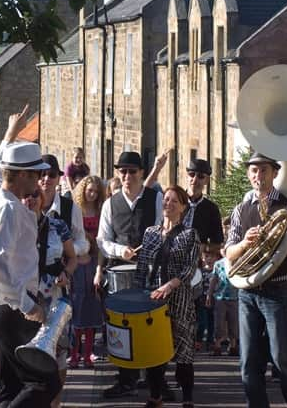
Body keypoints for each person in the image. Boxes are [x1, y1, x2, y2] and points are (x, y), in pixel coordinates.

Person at [0, 105, 61, 407]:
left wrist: (10, 135)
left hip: (0, 304)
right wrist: (28, 305)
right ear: (22, 174)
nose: (40, 180)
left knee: (12, 386)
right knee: (44, 382)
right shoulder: (8, 207)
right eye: (36, 173)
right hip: (10, 307)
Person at [225, 152, 287, 408]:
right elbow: (229, 253)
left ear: (275, 173)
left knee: (281, 359)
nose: (258, 176)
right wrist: (244, 243)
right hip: (248, 292)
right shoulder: (241, 209)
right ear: (248, 174)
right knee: (248, 362)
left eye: (263, 170)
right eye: (253, 171)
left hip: (279, 291)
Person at [97, 151, 163, 398]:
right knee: (121, 326)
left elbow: (161, 230)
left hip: (150, 272)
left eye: (131, 171)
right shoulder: (109, 203)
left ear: (141, 174)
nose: (126, 176)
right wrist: (119, 250)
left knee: (151, 323)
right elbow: (102, 240)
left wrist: (148, 247)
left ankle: (155, 381)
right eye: (122, 171)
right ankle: (126, 379)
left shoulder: (155, 199)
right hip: (120, 272)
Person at [134, 185, 200, 408]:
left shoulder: (190, 235)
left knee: (183, 353)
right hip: (153, 299)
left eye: (174, 201)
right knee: (155, 351)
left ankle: (188, 398)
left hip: (179, 298)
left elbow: (189, 269)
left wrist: (170, 286)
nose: (168, 204)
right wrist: (137, 295)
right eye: (166, 200)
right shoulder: (151, 233)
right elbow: (142, 267)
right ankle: (155, 396)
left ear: (182, 207)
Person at [23, 187, 78, 408]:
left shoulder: (58, 226)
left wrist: (66, 273)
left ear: (42, 198)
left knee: (58, 351)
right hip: (25, 298)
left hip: (54, 295)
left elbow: (72, 258)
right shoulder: (14, 227)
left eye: (35, 194)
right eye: (26, 194)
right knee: (26, 350)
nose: (30, 199)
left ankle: (55, 403)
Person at [70, 176, 105, 369]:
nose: (92, 194)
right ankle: (75, 353)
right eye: (89, 190)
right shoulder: (76, 210)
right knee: (77, 306)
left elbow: (100, 242)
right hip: (77, 262)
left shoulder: (100, 211)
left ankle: (88, 354)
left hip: (92, 262)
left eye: (95, 192)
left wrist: (98, 266)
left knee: (91, 307)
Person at [38, 154, 89, 259]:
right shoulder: (26, 205)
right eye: (42, 174)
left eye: (52, 175)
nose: (47, 178)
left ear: (58, 179)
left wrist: (65, 249)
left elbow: (82, 242)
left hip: (62, 271)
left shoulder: (72, 208)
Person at [206, 236, 239, 357]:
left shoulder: (237, 261)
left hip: (234, 297)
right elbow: (213, 280)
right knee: (219, 322)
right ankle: (217, 345)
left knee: (233, 322)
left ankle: (233, 345)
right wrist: (209, 294)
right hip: (220, 297)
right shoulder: (218, 264)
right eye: (223, 248)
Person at [195, 244, 216, 351]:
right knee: (202, 321)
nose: (209, 259)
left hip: (214, 299)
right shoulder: (200, 270)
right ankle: (198, 340)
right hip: (201, 299)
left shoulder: (216, 270)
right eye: (207, 256)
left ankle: (210, 341)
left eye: (212, 256)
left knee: (212, 321)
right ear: (202, 257)